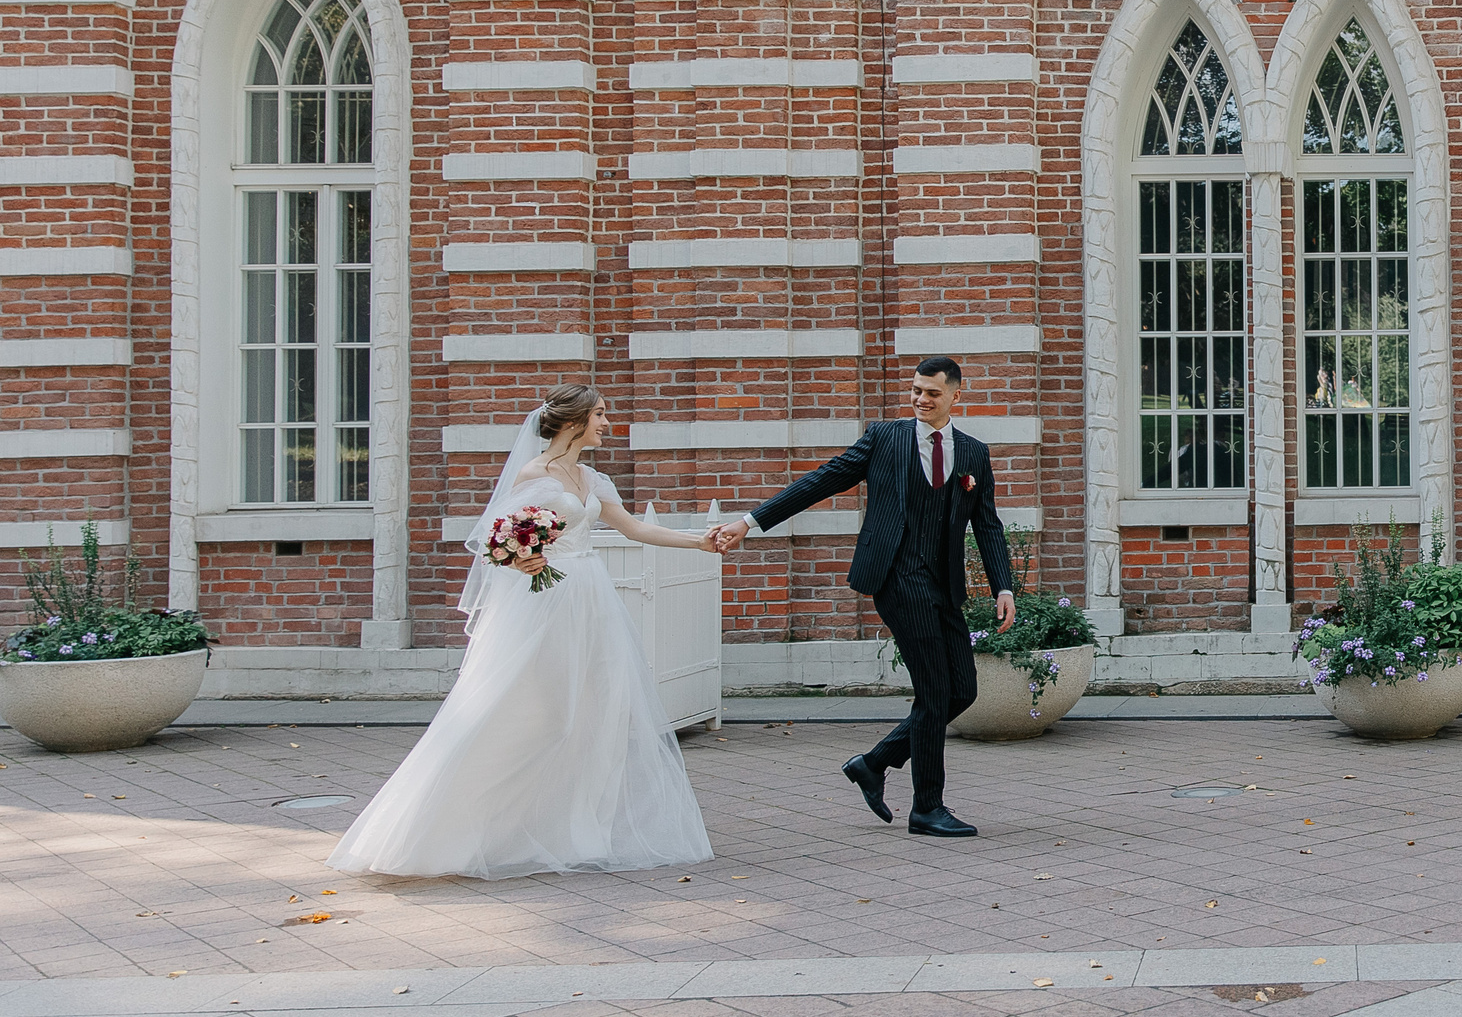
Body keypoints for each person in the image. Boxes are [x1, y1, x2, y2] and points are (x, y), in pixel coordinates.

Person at [329, 385, 720, 879]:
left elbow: (634, 529)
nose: (607, 423)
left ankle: (576, 828)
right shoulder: (534, 475)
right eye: (600, 415)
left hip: (592, 598)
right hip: (547, 602)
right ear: (573, 421)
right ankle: (459, 825)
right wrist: (521, 560)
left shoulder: (592, 478)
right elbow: (498, 545)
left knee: (598, 708)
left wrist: (698, 542)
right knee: (537, 710)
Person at [710, 356, 1014, 837]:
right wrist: (749, 522)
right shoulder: (884, 438)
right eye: (916, 390)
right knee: (935, 692)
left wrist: (1003, 585)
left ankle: (873, 763)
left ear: (956, 396)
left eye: (932, 393)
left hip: (944, 583)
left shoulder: (974, 452)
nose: (921, 399)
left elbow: (988, 524)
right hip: (896, 576)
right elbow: (821, 480)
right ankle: (926, 808)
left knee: (962, 690)